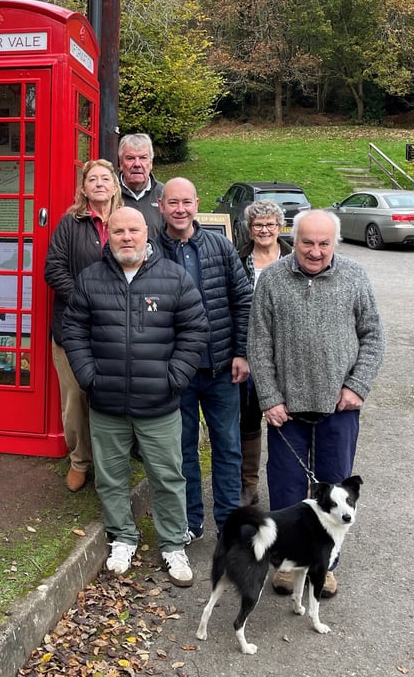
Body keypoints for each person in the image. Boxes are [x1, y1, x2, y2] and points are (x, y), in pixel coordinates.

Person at [62, 207, 209, 586]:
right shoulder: (90, 279)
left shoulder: (174, 278)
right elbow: (74, 330)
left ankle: (173, 543)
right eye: (118, 231)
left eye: (133, 230)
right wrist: (89, 377)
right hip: (106, 401)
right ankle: (122, 537)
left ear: (148, 232)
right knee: (111, 478)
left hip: (158, 403)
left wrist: (174, 377)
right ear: (107, 236)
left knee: (168, 476)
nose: (126, 237)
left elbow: (194, 330)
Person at [247, 209, 384, 596]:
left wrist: (357, 386)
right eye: (308, 242)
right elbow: (258, 343)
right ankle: (287, 565)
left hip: (339, 407)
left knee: (335, 487)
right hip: (285, 410)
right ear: (295, 239)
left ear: (334, 243)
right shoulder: (273, 279)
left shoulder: (355, 276)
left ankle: (326, 565)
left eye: (324, 243)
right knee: (288, 491)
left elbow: (374, 336)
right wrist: (270, 397)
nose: (315, 250)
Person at [157, 177, 252, 541]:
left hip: (221, 369)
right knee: (182, 450)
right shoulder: (152, 249)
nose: (180, 210)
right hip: (175, 371)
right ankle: (190, 521)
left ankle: (229, 523)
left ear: (197, 205)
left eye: (187, 202)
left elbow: (242, 301)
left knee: (227, 447)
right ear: (161, 206)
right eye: (173, 203)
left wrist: (241, 353)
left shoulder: (219, 246)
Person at [44, 159, 123, 492]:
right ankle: (80, 460)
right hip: (72, 326)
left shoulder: (126, 222)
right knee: (75, 397)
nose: (100, 184)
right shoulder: (69, 224)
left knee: (109, 397)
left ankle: (110, 463)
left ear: (115, 186)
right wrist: (86, 299)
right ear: (84, 187)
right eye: (93, 179)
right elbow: (54, 269)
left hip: (116, 327)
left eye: (106, 178)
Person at [237, 199, 293, 505]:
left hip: (284, 353)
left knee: (285, 417)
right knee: (247, 420)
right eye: (258, 225)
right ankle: (249, 484)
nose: (264, 230)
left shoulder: (293, 258)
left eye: (270, 224)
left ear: (279, 226)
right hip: (248, 351)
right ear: (250, 229)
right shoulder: (239, 259)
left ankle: (290, 484)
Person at [117, 133, 164, 235]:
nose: (137, 164)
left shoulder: (164, 194)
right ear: (121, 163)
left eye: (143, 158)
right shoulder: (109, 193)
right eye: (130, 158)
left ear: (151, 163)